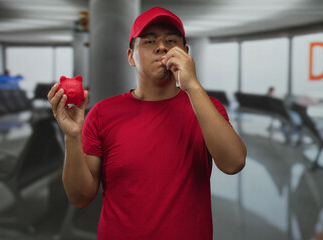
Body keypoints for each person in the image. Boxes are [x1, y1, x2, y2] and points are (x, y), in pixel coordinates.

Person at [48, 6, 246, 240]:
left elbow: (233, 163)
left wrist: (191, 85)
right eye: (149, 41)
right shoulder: (102, 113)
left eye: (171, 40)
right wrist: (72, 137)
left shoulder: (206, 106)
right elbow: (80, 197)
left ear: (185, 52)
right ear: (131, 56)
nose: (162, 47)